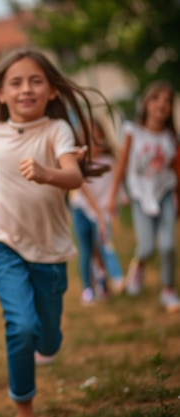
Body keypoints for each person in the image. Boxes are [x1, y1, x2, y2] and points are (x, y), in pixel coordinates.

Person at [0, 48, 109, 417]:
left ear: (51, 91)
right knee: (21, 326)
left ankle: (50, 344)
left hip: (50, 249)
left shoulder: (56, 130)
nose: (25, 89)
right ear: (1, 94)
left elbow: (74, 175)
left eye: (35, 81)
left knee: (45, 338)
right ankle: (24, 406)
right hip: (5, 243)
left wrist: (48, 173)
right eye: (15, 83)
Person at [107, 80, 180, 313]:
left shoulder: (171, 137)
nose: (162, 104)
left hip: (165, 194)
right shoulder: (133, 131)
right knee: (147, 246)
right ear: (146, 103)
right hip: (140, 196)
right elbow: (122, 164)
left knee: (168, 246)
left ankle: (168, 291)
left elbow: (176, 170)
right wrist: (113, 196)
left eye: (168, 101)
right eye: (156, 98)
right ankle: (138, 265)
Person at [70, 119, 125, 305]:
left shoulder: (109, 161)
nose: (92, 144)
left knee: (104, 247)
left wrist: (116, 201)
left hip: (102, 211)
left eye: (96, 139)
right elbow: (82, 190)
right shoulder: (78, 164)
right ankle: (88, 289)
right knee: (87, 250)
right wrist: (97, 213)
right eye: (87, 140)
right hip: (82, 210)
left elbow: (115, 185)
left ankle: (108, 281)